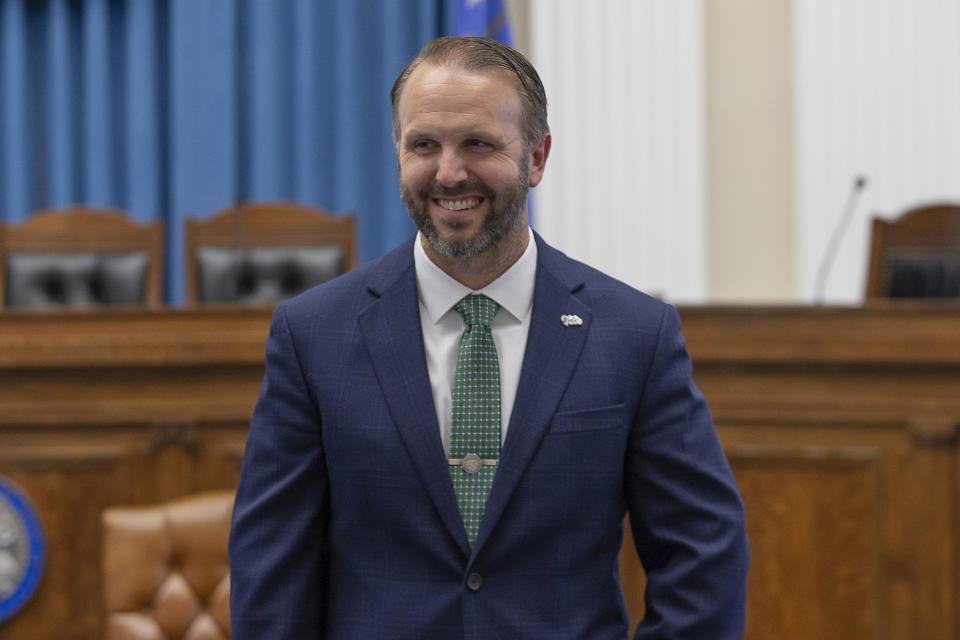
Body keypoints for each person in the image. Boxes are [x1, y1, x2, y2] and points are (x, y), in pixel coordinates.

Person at [229, 36, 749, 639]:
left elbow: (704, 553)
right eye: (423, 145)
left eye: (478, 143)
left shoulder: (635, 335)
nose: (449, 172)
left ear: (536, 157)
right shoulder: (312, 335)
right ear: (398, 153)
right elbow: (272, 574)